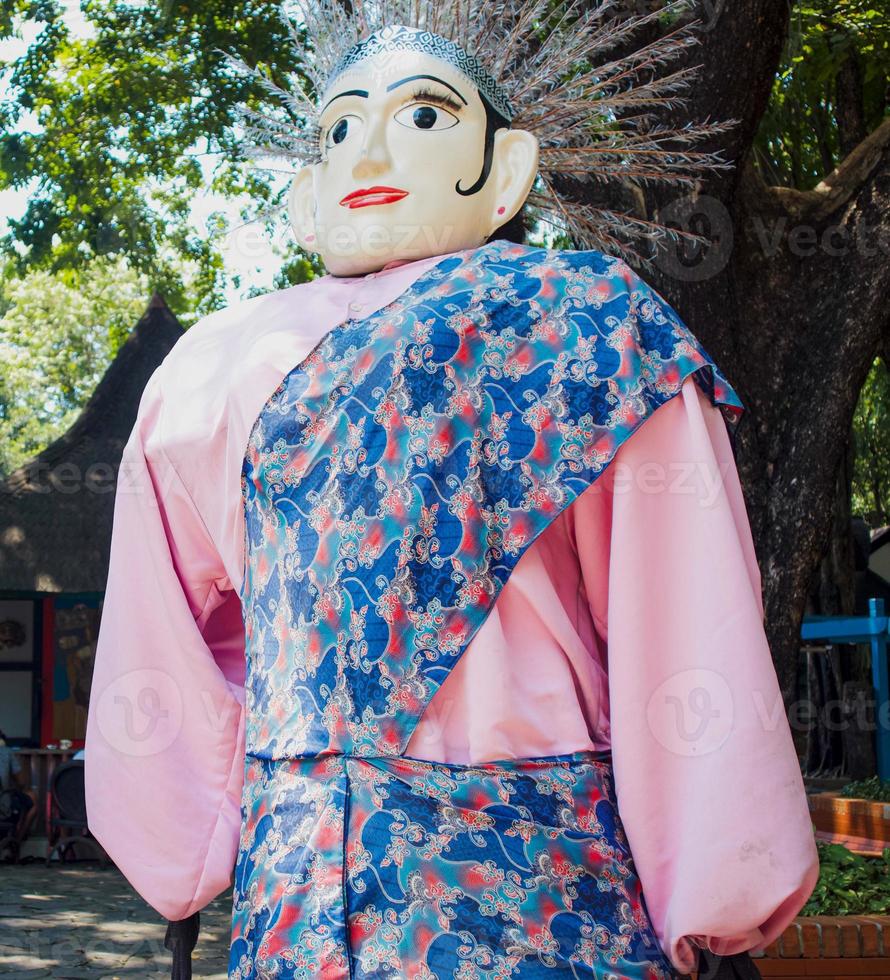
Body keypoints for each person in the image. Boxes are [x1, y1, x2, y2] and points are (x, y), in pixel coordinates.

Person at [85, 3, 820, 978]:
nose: (370, 145)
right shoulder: (596, 330)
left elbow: (168, 665)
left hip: (304, 883)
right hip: (545, 888)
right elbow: (682, 633)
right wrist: (721, 887)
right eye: (340, 126)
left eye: (423, 115)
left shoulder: (202, 373)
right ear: (308, 192)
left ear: (507, 168)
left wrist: (185, 848)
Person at [0, 728, 37, 856]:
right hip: (3, 806)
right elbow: (21, 782)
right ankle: (15, 844)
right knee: (31, 801)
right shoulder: (6, 752)